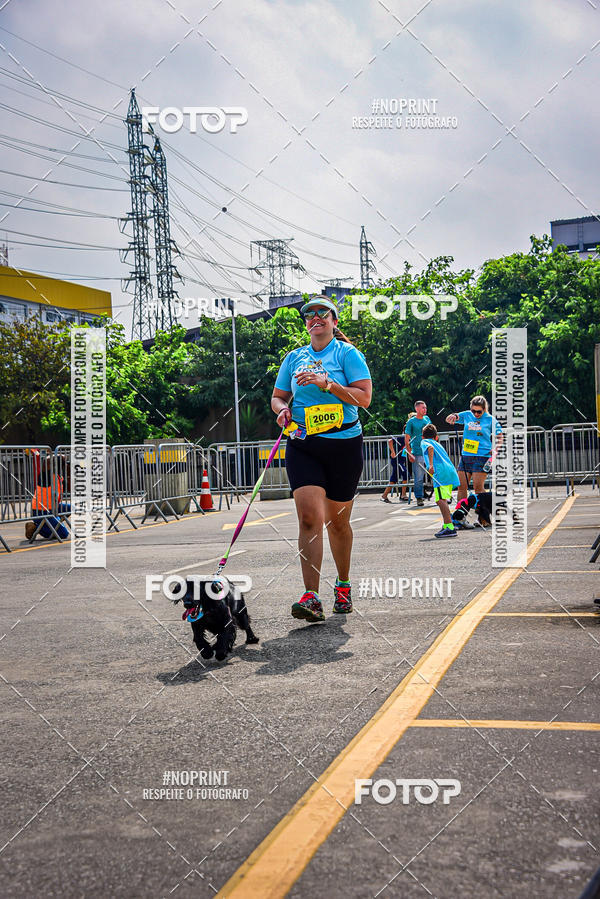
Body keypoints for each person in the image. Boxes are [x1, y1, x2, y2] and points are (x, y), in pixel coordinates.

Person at [271, 296, 372, 622]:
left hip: (344, 444)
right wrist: (282, 410)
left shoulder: (347, 354)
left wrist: (327, 383)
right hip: (304, 445)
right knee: (309, 519)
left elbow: (364, 398)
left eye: (322, 314)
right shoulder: (294, 357)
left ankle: (342, 586)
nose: (315, 318)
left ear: (334, 321)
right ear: (306, 323)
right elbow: (277, 396)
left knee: (337, 523)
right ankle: (311, 596)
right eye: (309, 315)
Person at [445, 395, 503, 502]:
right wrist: (452, 416)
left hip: (482, 457)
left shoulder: (490, 419)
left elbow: (500, 437)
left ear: (484, 409)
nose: (476, 414)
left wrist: (496, 449)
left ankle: (486, 511)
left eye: (479, 412)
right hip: (466, 456)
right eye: (473, 411)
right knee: (461, 487)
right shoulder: (467, 415)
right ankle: (461, 513)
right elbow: (451, 418)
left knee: (478, 489)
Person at [421, 423, 460, 538]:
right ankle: (448, 524)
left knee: (440, 500)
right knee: (442, 499)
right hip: (449, 471)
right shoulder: (438, 444)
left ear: (423, 437)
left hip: (440, 473)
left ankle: (449, 526)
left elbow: (430, 448)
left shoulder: (424, 442)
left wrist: (431, 465)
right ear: (436, 437)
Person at [25, 451, 70, 541]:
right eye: (63, 463)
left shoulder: (58, 477)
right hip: (41, 510)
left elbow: (70, 488)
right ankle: (36, 527)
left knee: (71, 508)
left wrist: (68, 471)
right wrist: (60, 456)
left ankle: (52, 525)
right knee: (63, 534)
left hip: (52, 508)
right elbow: (46, 461)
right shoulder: (45, 475)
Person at [404, 401, 431, 506]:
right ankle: (419, 497)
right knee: (419, 477)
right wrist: (409, 453)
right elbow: (407, 439)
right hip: (418, 452)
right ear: (417, 409)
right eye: (423, 408)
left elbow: (433, 433)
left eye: (426, 407)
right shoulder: (411, 422)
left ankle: (442, 496)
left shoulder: (427, 419)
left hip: (429, 451)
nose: (425, 409)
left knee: (436, 474)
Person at [380, 427, 410, 503]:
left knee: (394, 478)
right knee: (405, 474)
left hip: (401, 461)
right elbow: (390, 441)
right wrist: (392, 452)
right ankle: (403, 495)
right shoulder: (401, 437)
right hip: (396, 461)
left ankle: (385, 495)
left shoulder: (408, 439)